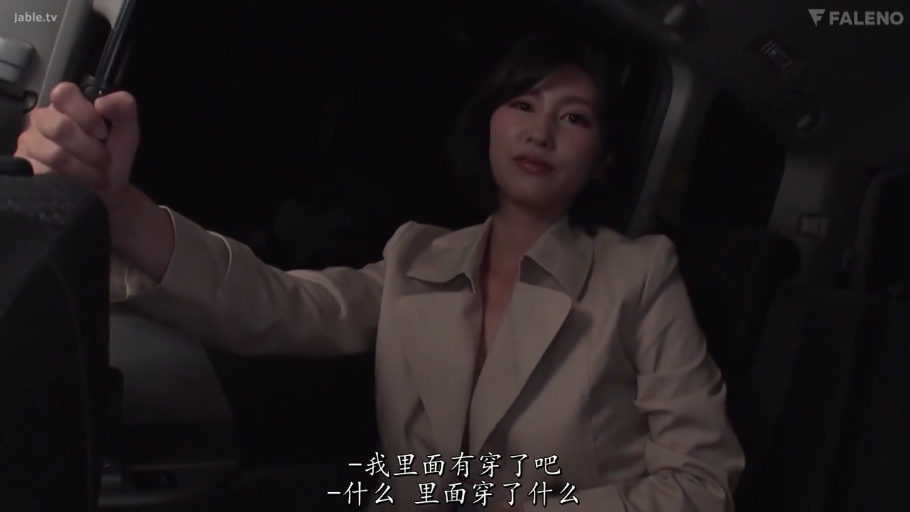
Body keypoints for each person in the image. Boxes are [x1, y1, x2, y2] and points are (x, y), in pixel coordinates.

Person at [15, 32, 744, 511]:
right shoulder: (417, 258)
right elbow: (274, 305)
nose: (540, 131)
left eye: (574, 117)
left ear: (603, 160)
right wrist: (120, 207)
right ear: (489, 124)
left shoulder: (638, 274)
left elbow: (702, 484)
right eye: (523, 103)